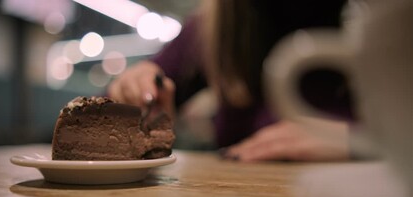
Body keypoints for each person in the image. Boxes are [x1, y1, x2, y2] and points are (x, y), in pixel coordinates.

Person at [108, 0, 352, 162]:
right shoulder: (213, 27)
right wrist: (135, 88)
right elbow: (114, 107)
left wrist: (364, 143)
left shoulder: (380, 24)